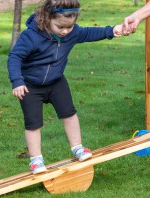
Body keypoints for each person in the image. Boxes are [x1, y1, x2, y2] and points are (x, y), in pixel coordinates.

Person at [7, 0, 122, 174]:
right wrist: (17, 81)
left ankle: (78, 148)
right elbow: (15, 57)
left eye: (69, 27)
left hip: (56, 82)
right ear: (47, 18)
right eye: (60, 27)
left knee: (69, 114)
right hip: (30, 86)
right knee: (33, 124)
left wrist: (111, 31)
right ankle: (36, 160)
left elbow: (89, 33)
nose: (65, 31)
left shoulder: (72, 32)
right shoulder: (31, 36)